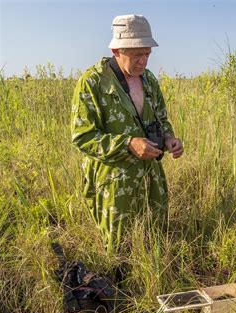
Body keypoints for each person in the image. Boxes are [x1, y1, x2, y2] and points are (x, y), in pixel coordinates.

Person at [71, 14, 183, 249]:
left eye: (147, 54)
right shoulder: (92, 83)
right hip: (115, 186)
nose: (143, 62)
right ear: (116, 51)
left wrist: (169, 139)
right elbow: (83, 137)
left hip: (151, 180)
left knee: (154, 241)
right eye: (136, 55)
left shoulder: (149, 80)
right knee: (119, 249)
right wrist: (128, 144)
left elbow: (162, 118)